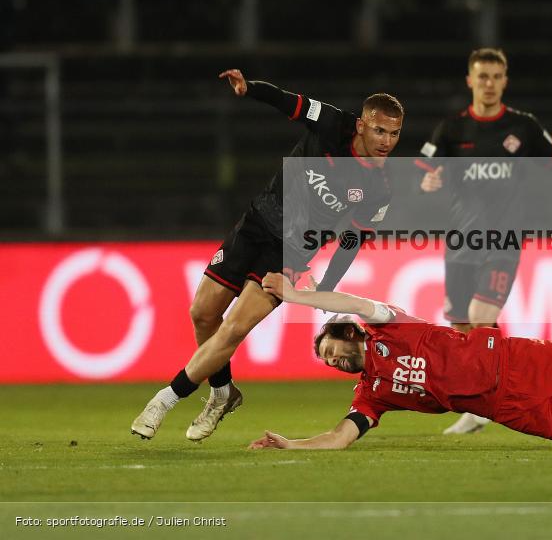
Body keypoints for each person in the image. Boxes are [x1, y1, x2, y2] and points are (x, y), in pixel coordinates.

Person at [131, 70, 404, 442]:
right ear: (360, 125)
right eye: (379, 131)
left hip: (292, 251)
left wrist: (327, 285)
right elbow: (290, 102)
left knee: (235, 327)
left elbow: (352, 240)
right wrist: (250, 89)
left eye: (394, 134)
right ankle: (223, 392)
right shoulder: (331, 123)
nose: (386, 141)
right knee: (202, 314)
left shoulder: (380, 187)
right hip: (258, 222)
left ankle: (165, 400)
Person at [248, 273, 552, 452]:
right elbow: (341, 436)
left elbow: (355, 302)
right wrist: (293, 445)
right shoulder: (372, 392)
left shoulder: (389, 324)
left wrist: (296, 295)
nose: (337, 362)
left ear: (349, 332)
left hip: (523, 359)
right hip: (510, 408)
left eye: (335, 351)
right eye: (331, 364)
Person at [416, 47, 552, 434]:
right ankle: (485, 399)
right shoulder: (451, 129)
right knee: (460, 331)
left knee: (480, 317)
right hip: (460, 240)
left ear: (505, 81)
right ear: (470, 81)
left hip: (503, 239)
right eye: (482, 76)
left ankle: (489, 402)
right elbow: (424, 176)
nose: (488, 84)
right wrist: (428, 182)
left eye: (495, 77)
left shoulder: (522, 127)